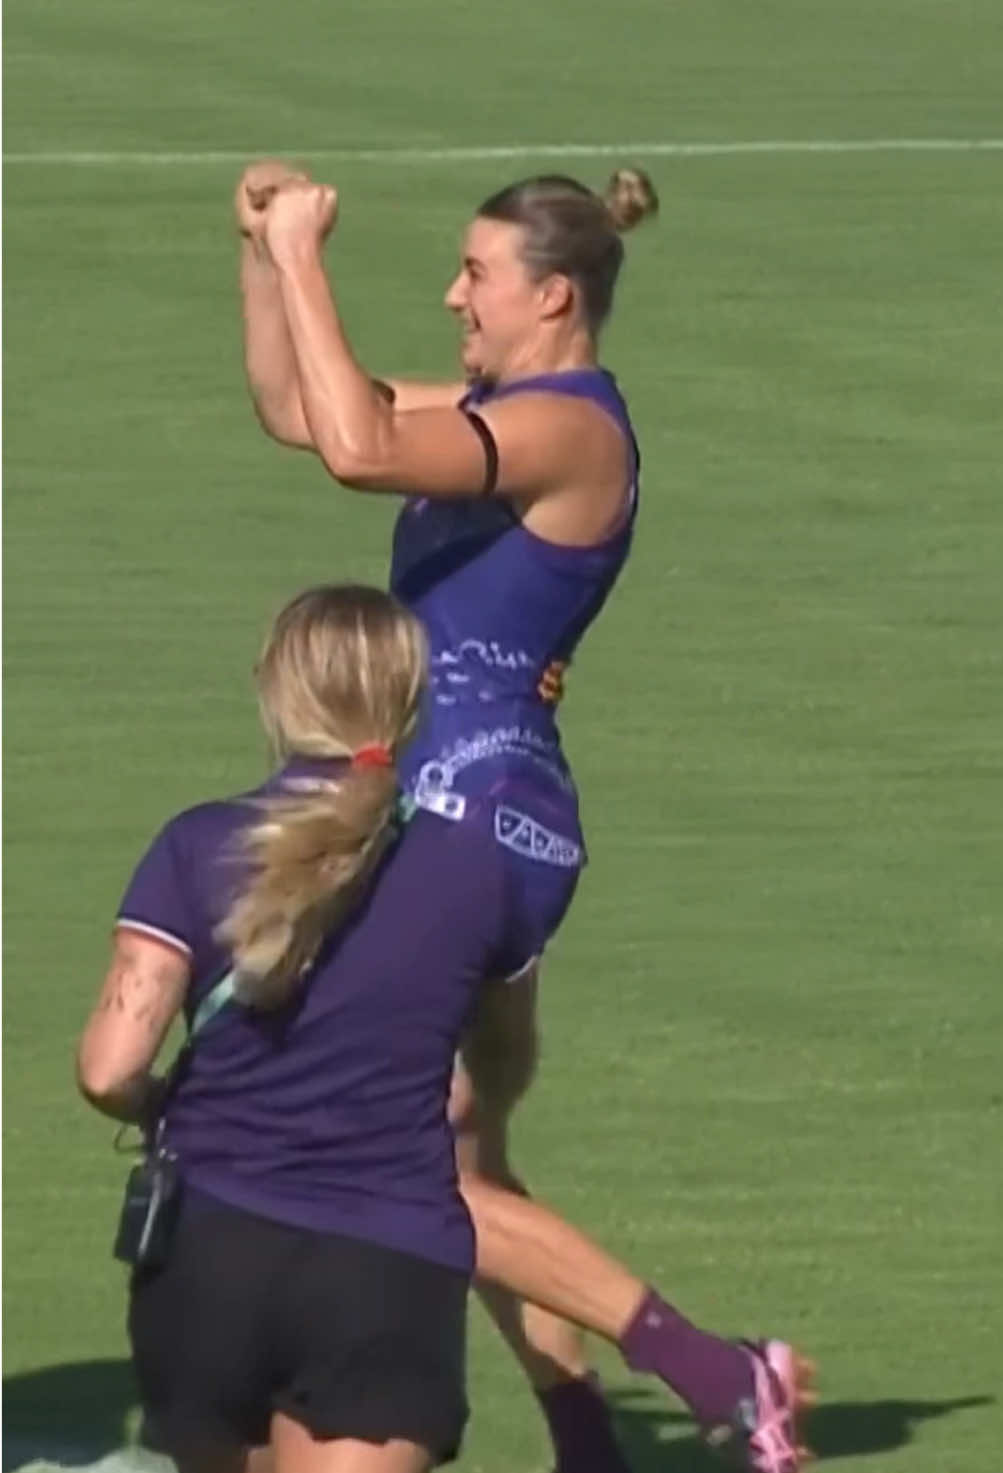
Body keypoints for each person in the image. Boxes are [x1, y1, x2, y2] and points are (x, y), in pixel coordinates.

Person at [236, 166, 813, 1472]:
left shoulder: (574, 431)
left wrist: (308, 252)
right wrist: (261, 258)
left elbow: (356, 452)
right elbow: (300, 408)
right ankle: (590, 1441)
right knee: (458, 1160)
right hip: (460, 818)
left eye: (474, 273)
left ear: (552, 295)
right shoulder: (502, 407)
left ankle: (723, 1373)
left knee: (404, 1161)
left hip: (472, 819)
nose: (452, 293)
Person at [78, 585, 528, 1473]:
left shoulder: (197, 845)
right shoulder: (478, 866)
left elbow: (108, 1067)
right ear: (412, 703)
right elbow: (501, 1054)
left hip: (207, 1262)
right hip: (384, 1266)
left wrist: (159, 1101)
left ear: (275, 692)